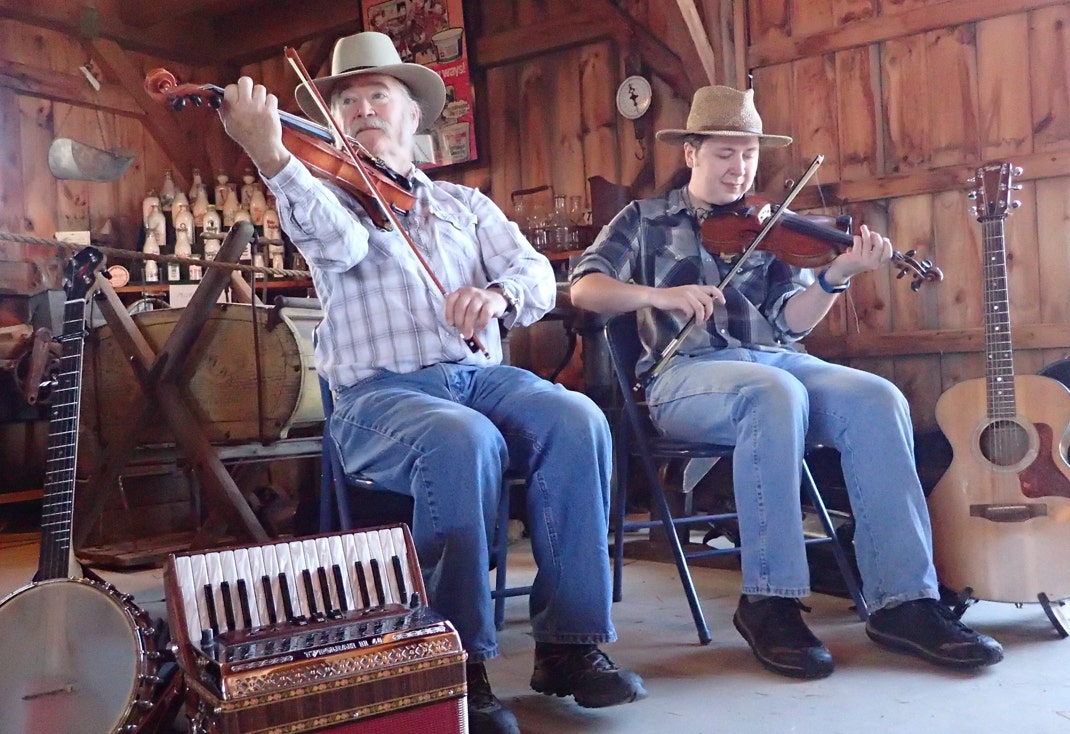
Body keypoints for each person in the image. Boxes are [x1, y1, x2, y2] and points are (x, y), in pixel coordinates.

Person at [216, 31, 645, 734]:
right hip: (380, 399)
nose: (360, 109)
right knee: (461, 440)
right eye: (345, 100)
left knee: (577, 419)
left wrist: (499, 296)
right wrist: (271, 155)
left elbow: (538, 274)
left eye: (376, 94)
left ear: (413, 115)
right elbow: (340, 246)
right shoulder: (324, 197)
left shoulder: (463, 205)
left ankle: (569, 648)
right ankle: (458, 664)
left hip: (481, 376)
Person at [569, 85, 1004, 680]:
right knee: (774, 394)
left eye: (747, 154)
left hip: (776, 362)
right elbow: (584, 288)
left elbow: (789, 323)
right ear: (691, 152)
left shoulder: (768, 224)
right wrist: (658, 294)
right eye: (724, 153)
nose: (738, 167)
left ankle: (905, 601)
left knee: (878, 398)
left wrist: (838, 275)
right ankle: (770, 601)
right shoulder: (643, 220)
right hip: (686, 376)